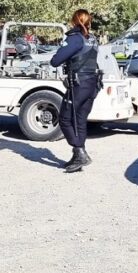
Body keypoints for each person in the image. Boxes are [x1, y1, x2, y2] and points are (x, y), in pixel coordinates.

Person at [50, 9, 101, 173]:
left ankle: (80, 152)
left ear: (74, 21)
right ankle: (78, 153)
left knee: (64, 119)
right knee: (79, 120)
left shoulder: (75, 39)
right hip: (93, 84)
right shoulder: (92, 39)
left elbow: (55, 61)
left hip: (79, 84)